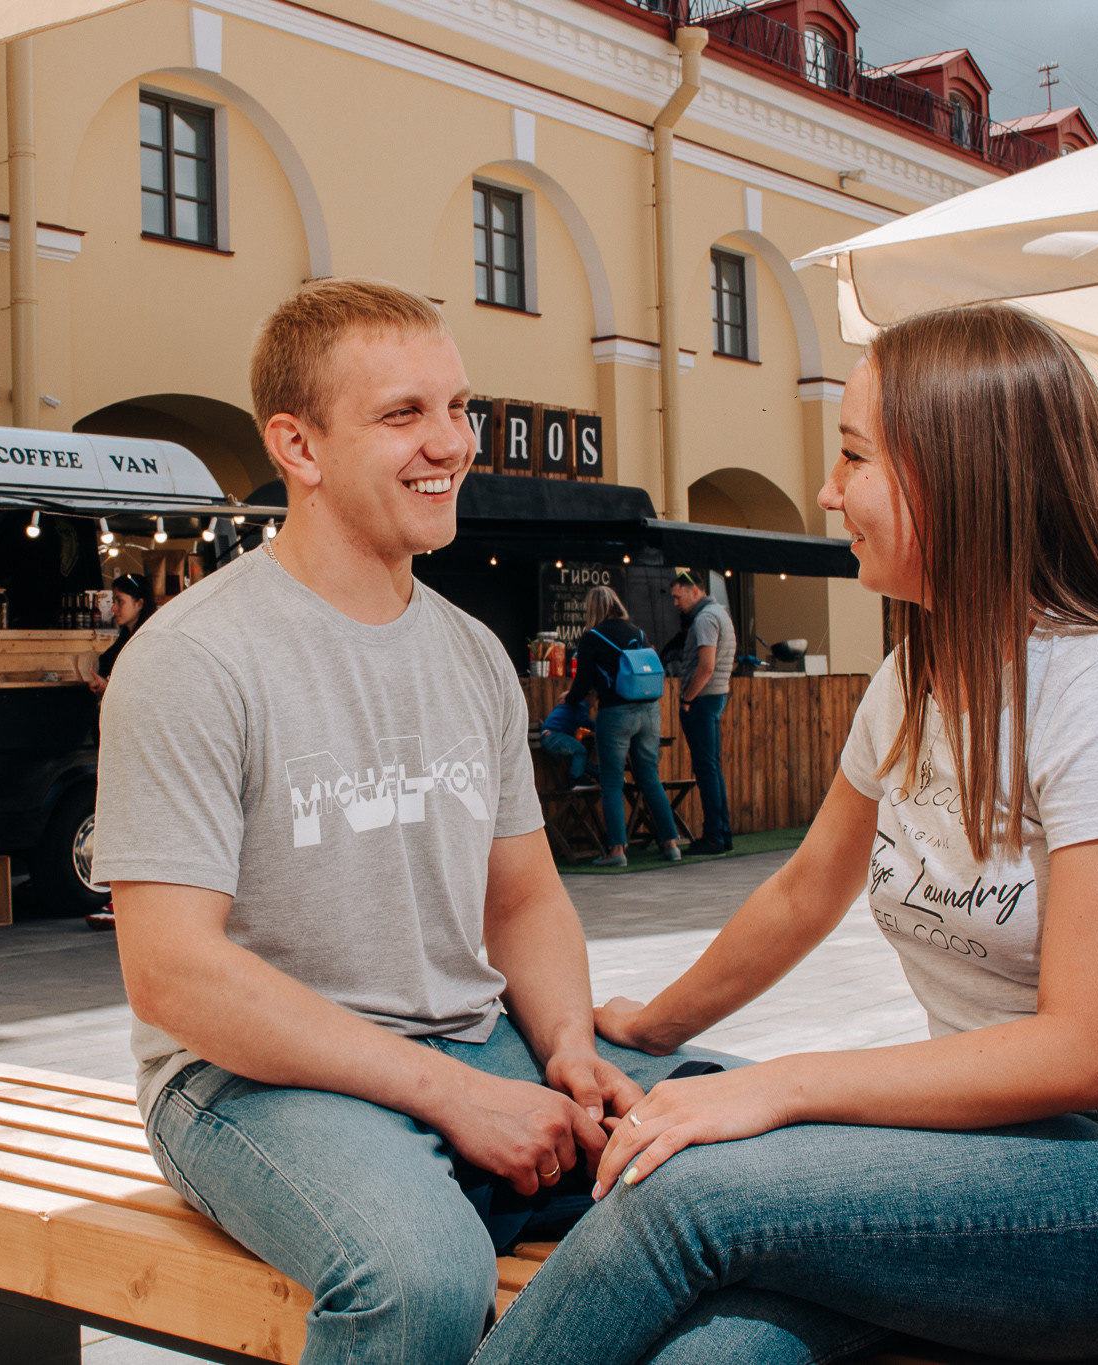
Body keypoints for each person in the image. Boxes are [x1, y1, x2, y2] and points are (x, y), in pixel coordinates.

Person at [468, 303, 1098, 1365]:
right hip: (996, 1149)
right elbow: (805, 889)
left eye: (851, 455)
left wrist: (778, 1084)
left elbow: (1082, 1055)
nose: (825, 490)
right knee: (719, 1347)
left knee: (688, 1185)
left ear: (956, 474)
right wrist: (656, 1029)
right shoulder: (916, 676)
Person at [93, 279, 719, 1365]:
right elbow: (173, 978)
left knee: (750, 1161)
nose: (451, 443)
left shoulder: (469, 653)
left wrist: (568, 1049)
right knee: (421, 1275)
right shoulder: (193, 658)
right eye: (403, 415)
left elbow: (521, 898)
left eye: (457, 408)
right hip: (248, 1084)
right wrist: (459, 1099)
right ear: (298, 445)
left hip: (478, 1046)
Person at [564, 586, 681, 867]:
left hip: (615, 713)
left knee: (612, 782)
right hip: (650, 710)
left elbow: (583, 682)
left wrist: (569, 699)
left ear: (593, 609)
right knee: (649, 778)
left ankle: (617, 851)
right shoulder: (638, 633)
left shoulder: (593, 637)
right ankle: (671, 844)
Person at [669, 570, 735, 855]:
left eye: (677, 595)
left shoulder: (705, 618)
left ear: (694, 590)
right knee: (712, 767)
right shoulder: (719, 613)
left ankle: (714, 837)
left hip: (703, 700)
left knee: (706, 768)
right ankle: (722, 833)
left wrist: (686, 697)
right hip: (716, 696)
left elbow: (706, 666)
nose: (675, 602)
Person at [85, 573, 151, 696]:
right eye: (113, 602)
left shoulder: (148, 642)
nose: (113, 608)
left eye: (120, 601)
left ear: (139, 604)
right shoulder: (124, 639)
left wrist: (108, 687)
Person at [536, 694, 595, 784]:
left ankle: (598, 775)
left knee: (578, 759)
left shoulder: (560, 709)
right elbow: (584, 720)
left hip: (548, 739)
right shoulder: (579, 704)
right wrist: (600, 728)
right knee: (580, 751)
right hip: (555, 737)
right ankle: (577, 780)